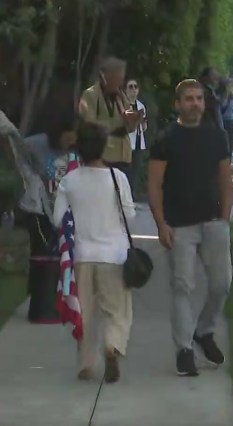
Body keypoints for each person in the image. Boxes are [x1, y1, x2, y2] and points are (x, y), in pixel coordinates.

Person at [148, 78, 233, 377]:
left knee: (222, 284)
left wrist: (225, 215)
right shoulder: (166, 139)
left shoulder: (216, 137)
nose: (195, 103)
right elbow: (155, 185)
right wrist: (161, 224)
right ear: (178, 104)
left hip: (213, 222)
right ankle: (184, 350)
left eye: (199, 98)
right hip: (179, 225)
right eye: (189, 99)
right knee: (182, 287)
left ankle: (205, 331)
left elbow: (225, 177)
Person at [53, 122, 135, 383]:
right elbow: (129, 215)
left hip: (82, 255)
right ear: (104, 146)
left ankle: (86, 363)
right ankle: (112, 345)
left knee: (85, 312)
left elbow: (58, 219)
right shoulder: (117, 178)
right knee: (117, 310)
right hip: (114, 255)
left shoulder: (69, 181)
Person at [19, 114, 79, 323]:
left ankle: (48, 299)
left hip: (58, 207)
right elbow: (17, 150)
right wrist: (29, 175)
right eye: (66, 140)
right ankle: (40, 301)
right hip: (37, 206)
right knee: (43, 251)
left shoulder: (72, 153)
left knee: (55, 253)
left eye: (72, 141)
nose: (68, 145)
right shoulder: (37, 144)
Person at [79, 57, 141, 178]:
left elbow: (128, 121)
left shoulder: (120, 96)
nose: (120, 83)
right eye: (117, 79)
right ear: (105, 77)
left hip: (123, 155)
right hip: (104, 156)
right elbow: (89, 124)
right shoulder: (90, 95)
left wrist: (134, 120)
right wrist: (117, 123)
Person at [125, 79, 148, 193]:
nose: (133, 89)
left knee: (136, 171)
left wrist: (142, 122)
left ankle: (132, 196)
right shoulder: (123, 105)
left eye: (135, 87)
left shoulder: (141, 106)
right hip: (127, 142)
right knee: (126, 171)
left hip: (139, 141)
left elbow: (144, 127)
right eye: (130, 87)